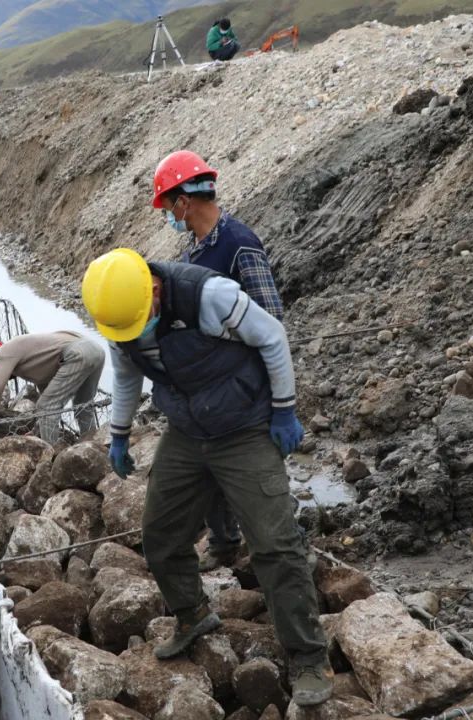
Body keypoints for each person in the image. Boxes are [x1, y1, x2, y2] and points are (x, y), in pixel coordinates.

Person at [82, 248, 331, 705]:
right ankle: (192, 613)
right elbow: (125, 377)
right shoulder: (122, 319)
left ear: (153, 289)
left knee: (274, 544)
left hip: (245, 428)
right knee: (160, 533)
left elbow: (272, 337)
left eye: (140, 319)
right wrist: (118, 436)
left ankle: (309, 657)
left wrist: (284, 411)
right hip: (187, 430)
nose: (133, 332)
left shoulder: (208, 295)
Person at [155, 150, 285, 571]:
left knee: (251, 473)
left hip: (246, 385)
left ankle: (275, 545)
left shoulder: (238, 244)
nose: (168, 216)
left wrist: (278, 402)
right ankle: (225, 545)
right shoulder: (195, 250)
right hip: (212, 385)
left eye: (167, 207)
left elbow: (271, 318)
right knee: (208, 465)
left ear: (183, 201)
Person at [0, 332, 105, 445]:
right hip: (96, 350)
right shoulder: (34, 362)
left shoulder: (3, 354)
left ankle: (52, 457)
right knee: (83, 405)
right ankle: (93, 445)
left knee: (47, 406)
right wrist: (36, 431)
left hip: (76, 353)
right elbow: (48, 396)